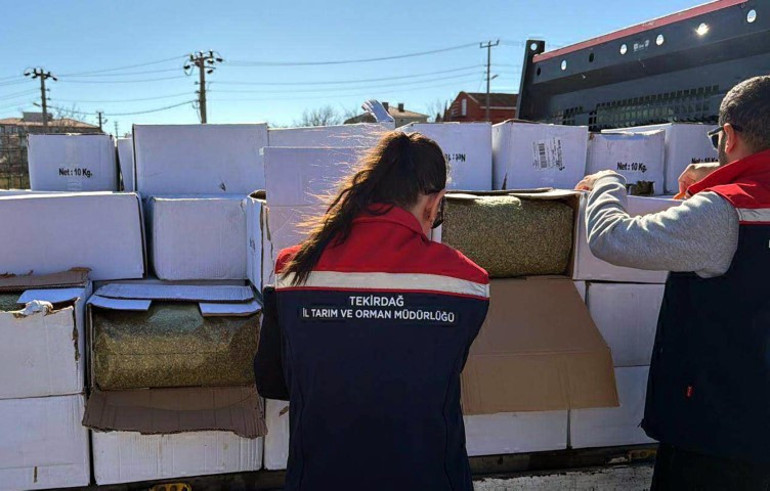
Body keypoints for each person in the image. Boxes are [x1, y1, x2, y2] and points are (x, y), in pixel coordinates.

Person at [254, 131, 490, 491]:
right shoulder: (467, 284)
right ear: (434, 202)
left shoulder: (293, 269)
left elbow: (271, 380)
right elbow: (433, 375)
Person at [575, 75, 770, 490]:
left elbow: (612, 239)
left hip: (717, 439)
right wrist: (717, 174)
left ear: (729, 136)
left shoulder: (724, 212)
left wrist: (608, 183)